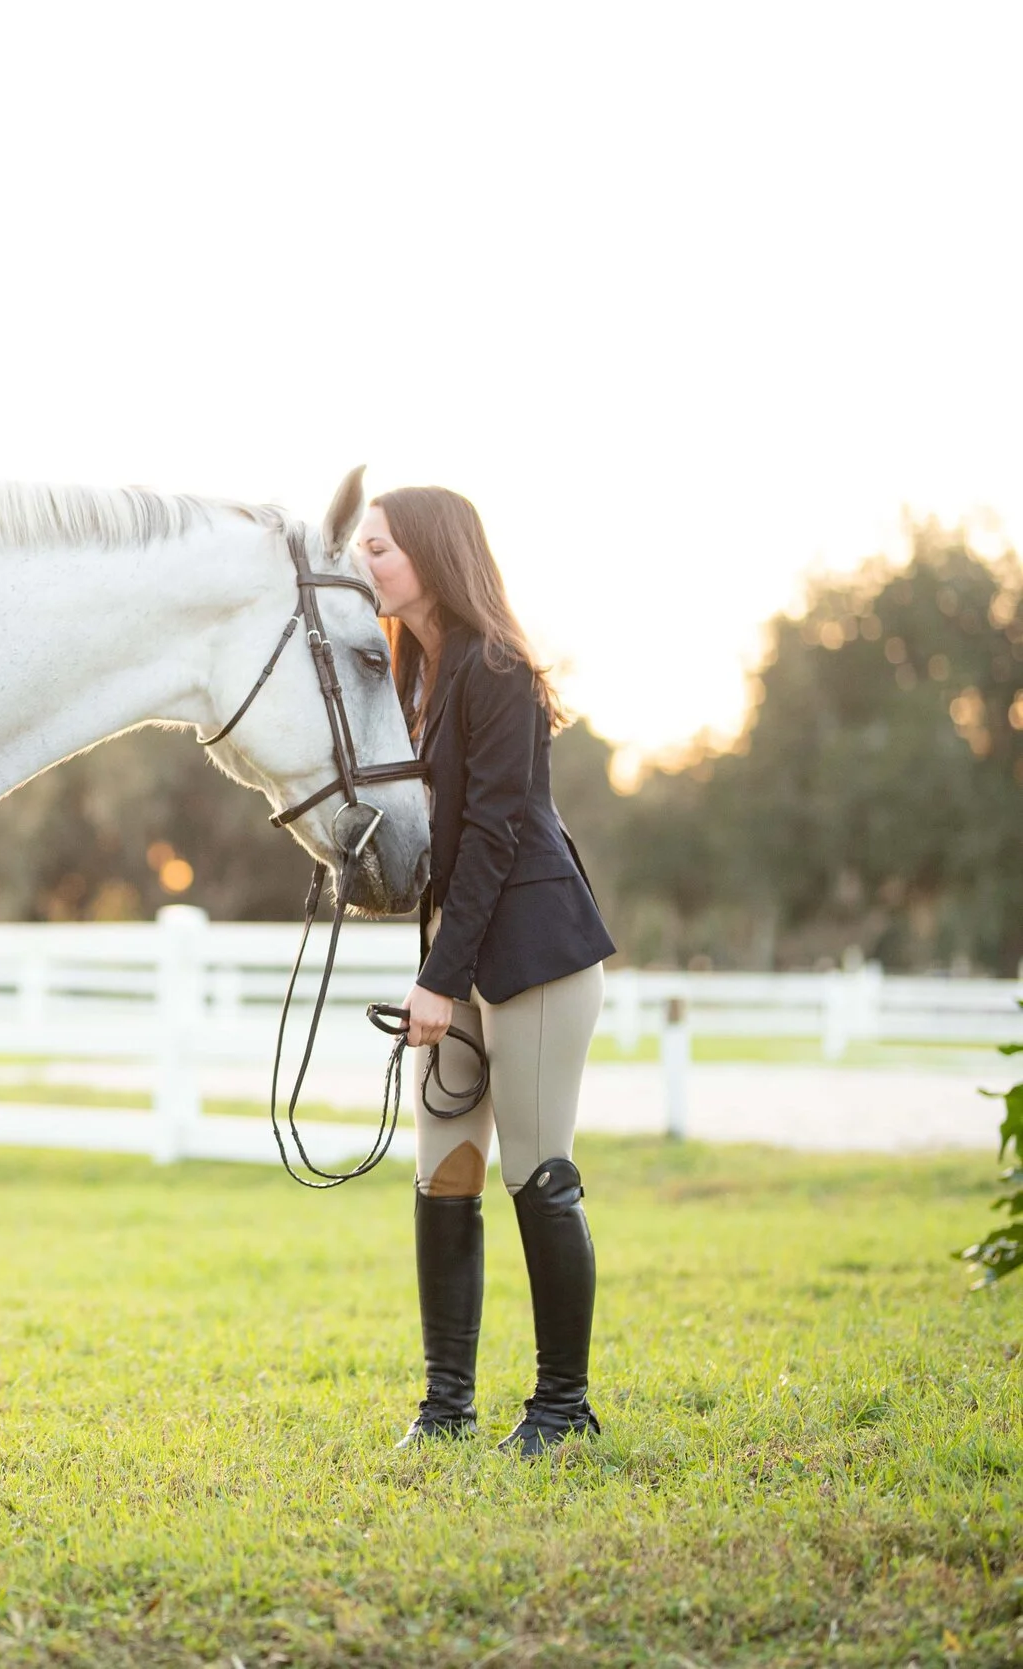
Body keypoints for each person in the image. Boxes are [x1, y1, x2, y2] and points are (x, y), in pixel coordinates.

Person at [355, 486, 617, 1455]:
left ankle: (561, 1408)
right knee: (442, 1171)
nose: (364, 562)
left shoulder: (496, 667)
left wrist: (439, 975)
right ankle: (446, 1408)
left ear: (428, 553)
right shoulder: (410, 677)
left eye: (376, 547)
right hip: (456, 954)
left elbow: (495, 832)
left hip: (534, 949)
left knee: (536, 1169)